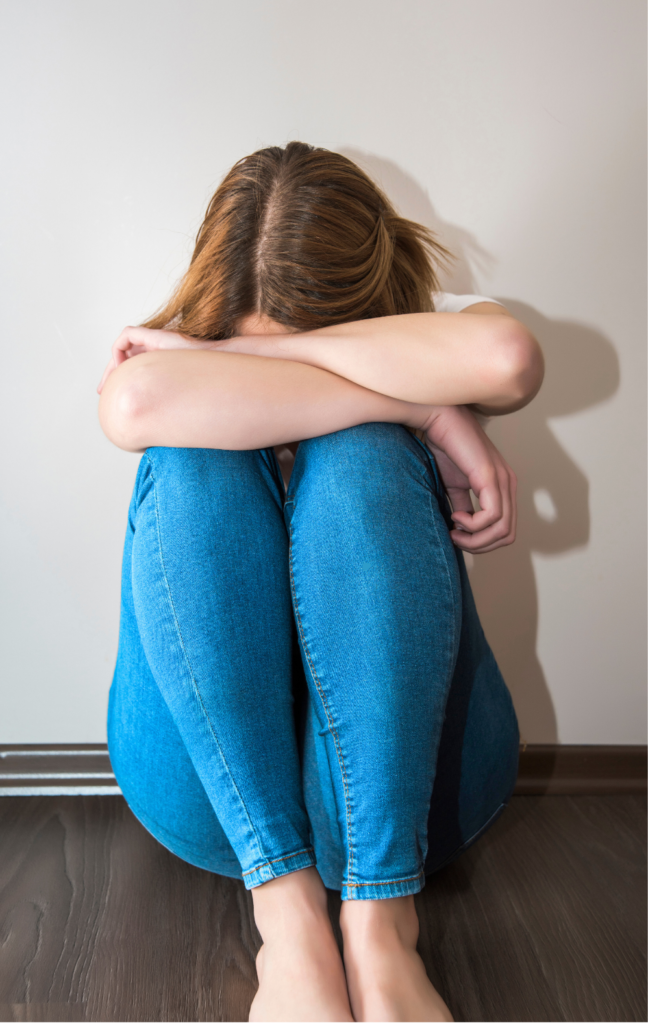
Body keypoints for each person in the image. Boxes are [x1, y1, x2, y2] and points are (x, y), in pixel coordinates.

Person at [97, 141, 544, 1022]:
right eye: (253, 348)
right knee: (189, 463)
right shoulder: (181, 347)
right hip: (216, 801)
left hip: (424, 793)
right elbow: (137, 406)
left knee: (363, 456)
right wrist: (420, 405)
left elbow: (505, 356)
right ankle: (289, 917)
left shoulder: (434, 323)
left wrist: (298, 370)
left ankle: (384, 925)